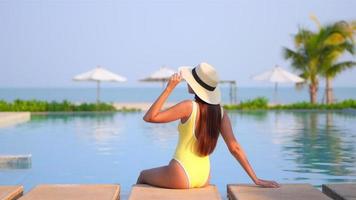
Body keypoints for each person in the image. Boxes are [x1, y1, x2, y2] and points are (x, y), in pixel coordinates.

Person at [136, 62, 280, 189]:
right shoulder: (221, 112)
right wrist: (256, 179)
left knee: (143, 175)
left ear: (195, 85)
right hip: (204, 176)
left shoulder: (188, 106)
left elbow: (149, 117)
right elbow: (235, 148)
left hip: (181, 172)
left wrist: (169, 88)